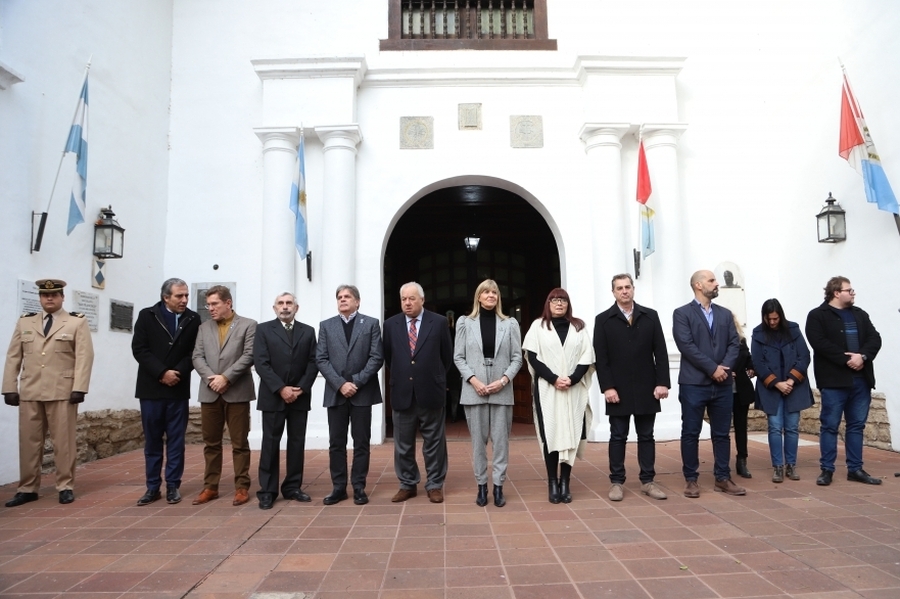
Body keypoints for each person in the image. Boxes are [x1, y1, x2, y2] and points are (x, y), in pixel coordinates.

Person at [3, 279, 94, 507]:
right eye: (45, 295)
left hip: (62, 391)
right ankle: (27, 488)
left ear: (62, 297)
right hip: (30, 391)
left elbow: (84, 356)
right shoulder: (26, 322)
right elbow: (14, 356)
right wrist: (9, 388)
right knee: (29, 442)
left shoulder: (75, 322)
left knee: (63, 442)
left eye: (54, 295)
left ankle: (65, 486)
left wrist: (79, 387)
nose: (49, 299)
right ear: (40, 298)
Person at [593, 274, 669, 502]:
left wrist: (662, 382)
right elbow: (601, 357)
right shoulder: (603, 320)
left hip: (647, 386)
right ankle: (616, 482)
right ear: (613, 292)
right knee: (618, 436)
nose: (624, 291)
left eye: (627, 287)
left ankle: (648, 481)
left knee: (647, 436)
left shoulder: (650, 316)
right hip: (618, 389)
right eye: (619, 288)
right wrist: (607, 387)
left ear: (633, 289)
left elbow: (661, 352)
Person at [672, 270, 744, 498]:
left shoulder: (724, 314)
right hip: (694, 384)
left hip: (722, 384)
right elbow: (686, 345)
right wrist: (712, 369)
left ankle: (722, 477)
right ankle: (691, 479)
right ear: (698, 285)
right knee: (691, 432)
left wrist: (723, 367)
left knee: (722, 433)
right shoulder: (682, 314)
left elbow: (735, 343)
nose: (717, 284)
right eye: (712, 280)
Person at [805, 277, 882, 486]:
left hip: (861, 381)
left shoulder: (860, 314)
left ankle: (855, 469)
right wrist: (847, 359)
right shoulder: (817, 316)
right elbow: (819, 343)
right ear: (836, 293)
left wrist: (862, 357)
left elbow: (875, 339)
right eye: (849, 290)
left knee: (856, 426)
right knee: (830, 426)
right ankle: (827, 470)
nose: (853, 293)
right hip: (834, 382)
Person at [453, 279, 523, 508]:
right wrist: (474, 380)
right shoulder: (465, 323)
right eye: (486, 292)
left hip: (501, 389)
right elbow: (458, 357)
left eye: (494, 292)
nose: (491, 296)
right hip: (475, 389)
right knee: (478, 443)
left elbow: (517, 358)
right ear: (479, 296)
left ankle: (499, 486)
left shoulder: (510, 323)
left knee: (501, 442)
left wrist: (504, 380)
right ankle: (482, 486)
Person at [131, 278, 201, 506]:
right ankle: (152, 487)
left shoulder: (193, 318)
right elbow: (139, 349)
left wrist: (177, 372)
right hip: (151, 388)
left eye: (186, 296)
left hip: (177, 389)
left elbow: (194, 352)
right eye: (179, 296)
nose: (184, 300)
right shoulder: (147, 315)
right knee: (152, 442)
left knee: (176, 441)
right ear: (166, 298)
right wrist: (162, 373)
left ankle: (173, 486)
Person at [383, 282, 453, 503]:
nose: (407, 303)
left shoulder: (439, 322)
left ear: (422, 300)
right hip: (402, 391)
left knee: (434, 442)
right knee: (403, 444)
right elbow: (389, 357)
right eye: (404, 299)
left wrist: (434, 378)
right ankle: (407, 484)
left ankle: (434, 484)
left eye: (412, 298)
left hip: (431, 391)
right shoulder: (390, 324)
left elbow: (447, 357)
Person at [523, 288, 594, 504]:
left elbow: (587, 356)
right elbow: (533, 357)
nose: (559, 303)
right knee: (551, 435)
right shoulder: (538, 326)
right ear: (548, 303)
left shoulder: (579, 327)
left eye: (563, 300)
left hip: (574, 390)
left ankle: (566, 482)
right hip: (548, 389)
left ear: (568, 304)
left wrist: (572, 379)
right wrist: (554, 378)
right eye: (554, 300)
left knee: (571, 434)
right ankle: (552, 482)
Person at [316, 285, 384, 506]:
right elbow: (321, 359)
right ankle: (338, 488)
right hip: (336, 393)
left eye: (347, 297)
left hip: (362, 392)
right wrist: (340, 384)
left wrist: (355, 382)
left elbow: (376, 357)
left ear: (358, 301)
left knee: (361, 442)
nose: (342, 300)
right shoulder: (326, 326)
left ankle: (358, 487)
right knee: (336, 442)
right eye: (339, 297)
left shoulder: (371, 324)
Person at [191, 285, 257, 506]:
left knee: (239, 442)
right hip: (210, 392)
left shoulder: (248, 325)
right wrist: (212, 378)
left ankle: (241, 486)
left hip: (236, 391)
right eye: (208, 304)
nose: (210, 308)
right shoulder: (204, 328)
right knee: (211, 443)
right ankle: (210, 487)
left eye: (214, 304)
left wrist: (226, 378)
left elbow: (249, 355)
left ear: (228, 303)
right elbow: (197, 357)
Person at [253, 292, 318, 510]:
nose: (285, 307)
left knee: (296, 443)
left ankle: (292, 487)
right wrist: (281, 388)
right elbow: (261, 363)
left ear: (296, 308)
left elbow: (313, 362)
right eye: (280, 303)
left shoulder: (308, 332)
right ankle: (267, 491)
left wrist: (300, 388)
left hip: (299, 397)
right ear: (274, 308)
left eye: (289, 303)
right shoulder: (263, 330)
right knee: (270, 443)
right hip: (273, 396)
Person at [752, 299, 813, 483]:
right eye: (768, 319)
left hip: (794, 387)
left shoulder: (793, 329)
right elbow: (758, 362)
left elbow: (804, 356)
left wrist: (791, 381)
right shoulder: (758, 333)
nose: (772, 322)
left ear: (781, 316)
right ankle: (778, 466)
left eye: (775, 318)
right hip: (772, 388)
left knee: (792, 428)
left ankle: (791, 465)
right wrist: (776, 383)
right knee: (775, 427)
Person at [731, 312, 756, 479]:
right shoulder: (714, 341)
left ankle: (742, 461)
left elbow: (747, 358)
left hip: (740, 389)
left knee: (741, 427)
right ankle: (721, 462)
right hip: (721, 390)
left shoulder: (741, 340)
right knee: (720, 429)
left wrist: (752, 367)